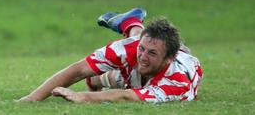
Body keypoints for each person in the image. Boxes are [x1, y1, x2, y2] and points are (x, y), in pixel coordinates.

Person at [18, 8, 203, 103]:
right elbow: (78, 70)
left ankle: (130, 22)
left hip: (175, 67)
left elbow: (126, 96)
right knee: (134, 56)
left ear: (169, 59)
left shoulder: (177, 82)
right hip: (142, 53)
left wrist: (82, 96)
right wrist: (31, 99)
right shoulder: (129, 48)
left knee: (122, 80)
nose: (143, 56)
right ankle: (131, 23)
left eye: (152, 53)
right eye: (142, 49)